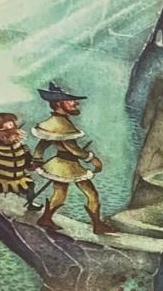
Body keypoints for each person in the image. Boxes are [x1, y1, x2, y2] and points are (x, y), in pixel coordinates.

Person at [30, 81, 117, 234]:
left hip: (59, 164)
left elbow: (43, 144)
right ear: (59, 103)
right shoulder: (62, 124)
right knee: (91, 193)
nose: (75, 103)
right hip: (68, 165)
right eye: (70, 100)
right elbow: (73, 149)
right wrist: (92, 159)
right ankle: (97, 225)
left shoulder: (53, 122)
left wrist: (37, 159)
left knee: (60, 193)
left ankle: (46, 218)